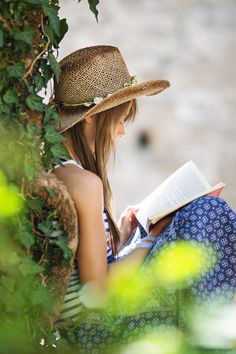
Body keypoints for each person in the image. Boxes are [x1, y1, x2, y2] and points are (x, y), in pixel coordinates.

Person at [50, 45, 236, 352]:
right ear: (90, 119)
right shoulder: (85, 184)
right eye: (120, 119)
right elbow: (100, 294)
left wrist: (123, 239)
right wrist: (152, 236)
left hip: (85, 327)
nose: (122, 132)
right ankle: (216, 334)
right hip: (94, 333)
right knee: (206, 211)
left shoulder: (56, 171)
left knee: (197, 216)